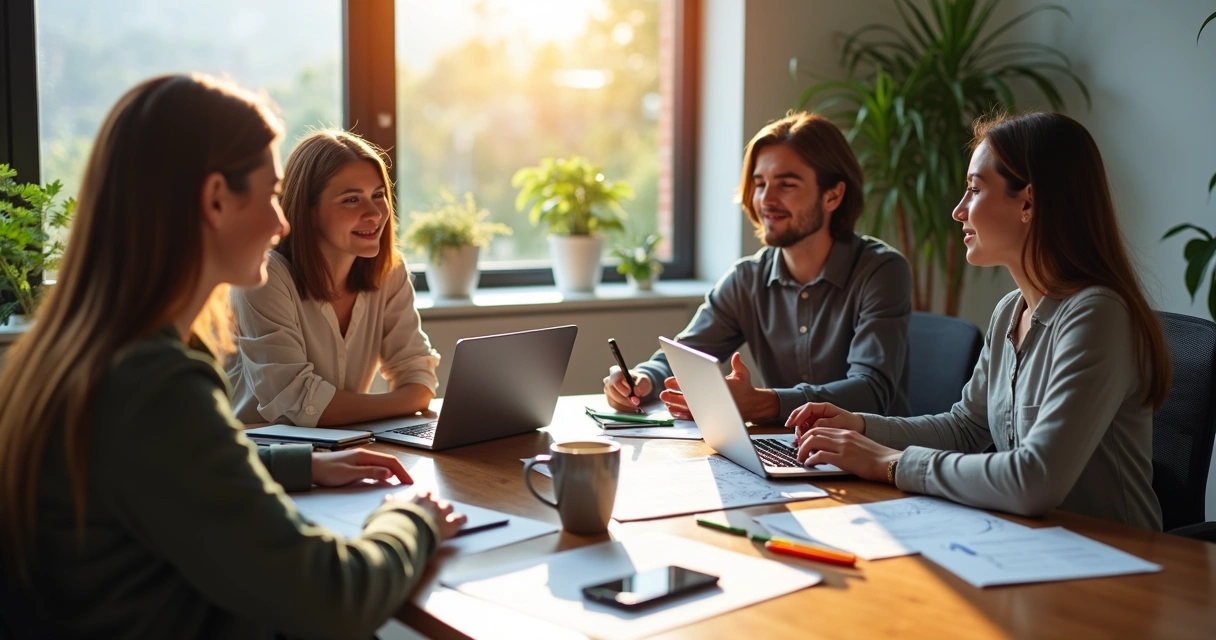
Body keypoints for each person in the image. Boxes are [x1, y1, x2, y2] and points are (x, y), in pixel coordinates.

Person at [0, 74, 466, 637]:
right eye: (272, 195)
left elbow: (167, 470)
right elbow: (329, 598)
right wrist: (410, 520)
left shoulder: (85, 352)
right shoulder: (156, 383)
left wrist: (300, 463)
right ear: (215, 199)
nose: (281, 222)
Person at [788, 112, 1168, 530]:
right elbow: (965, 428)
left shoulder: (1097, 315)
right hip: (1034, 546)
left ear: (1028, 202)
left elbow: (1033, 480)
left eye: (973, 190)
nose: (957, 211)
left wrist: (889, 462)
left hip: (1116, 564)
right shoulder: (1010, 310)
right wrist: (860, 427)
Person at [605, 111, 912, 424]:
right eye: (760, 184)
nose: (766, 199)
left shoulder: (881, 271)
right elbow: (684, 358)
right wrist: (643, 378)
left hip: (870, 457)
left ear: (833, 195)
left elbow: (871, 392)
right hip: (785, 448)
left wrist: (766, 403)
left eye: (787, 184)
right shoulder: (746, 280)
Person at [227, 129, 439, 427]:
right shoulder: (264, 275)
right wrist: (403, 402)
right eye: (351, 200)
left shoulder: (390, 270)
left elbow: (418, 375)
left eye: (378, 195)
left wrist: (405, 399)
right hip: (263, 457)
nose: (374, 214)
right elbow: (299, 404)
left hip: (345, 448)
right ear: (309, 210)